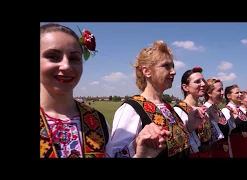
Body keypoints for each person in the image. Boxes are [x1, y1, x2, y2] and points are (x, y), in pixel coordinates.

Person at [40, 23, 169, 158]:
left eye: (74, 58)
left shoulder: (96, 120)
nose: (66, 66)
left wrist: (141, 155)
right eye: (53, 56)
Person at [108, 40, 204, 158]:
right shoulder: (131, 109)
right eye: (166, 66)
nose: (173, 72)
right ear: (147, 71)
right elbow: (114, 154)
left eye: (172, 66)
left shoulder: (168, 107)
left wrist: (190, 126)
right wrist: (136, 145)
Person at [173, 67, 212, 158]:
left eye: (203, 80)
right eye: (197, 81)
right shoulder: (178, 111)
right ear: (185, 87)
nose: (203, 84)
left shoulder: (201, 109)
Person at [203, 78, 230, 158]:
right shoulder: (205, 111)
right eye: (219, 90)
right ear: (209, 93)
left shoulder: (218, 110)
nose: (222, 93)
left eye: (222, 89)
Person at [221, 84, 247, 158]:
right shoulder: (226, 110)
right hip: (234, 144)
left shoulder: (240, 110)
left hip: (244, 143)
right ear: (229, 96)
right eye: (237, 93)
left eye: (240, 92)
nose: (240, 94)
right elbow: (226, 131)